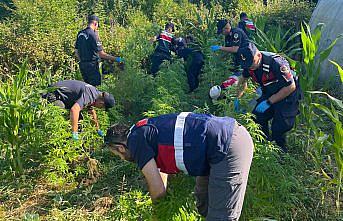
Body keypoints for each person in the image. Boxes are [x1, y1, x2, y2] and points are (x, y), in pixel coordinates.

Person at [104, 112, 254, 220]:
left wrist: (157, 215)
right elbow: (159, 174)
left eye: (118, 155)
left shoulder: (135, 142)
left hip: (227, 146)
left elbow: (156, 189)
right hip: (214, 148)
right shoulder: (141, 130)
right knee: (204, 202)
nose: (122, 158)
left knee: (220, 216)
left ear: (120, 148)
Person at [235, 43, 302, 152]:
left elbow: (290, 86)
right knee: (257, 117)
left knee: (279, 127)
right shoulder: (249, 63)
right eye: (247, 65)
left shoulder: (276, 63)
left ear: (258, 55)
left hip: (287, 94)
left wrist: (269, 102)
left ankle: (280, 153)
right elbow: (243, 80)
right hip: (270, 91)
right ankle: (264, 144)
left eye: (252, 63)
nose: (250, 67)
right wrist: (238, 98)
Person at [42, 80, 115, 140]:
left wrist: (97, 129)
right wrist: (74, 132)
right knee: (61, 114)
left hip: (64, 97)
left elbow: (91, 112)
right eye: (102, 107)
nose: (100, 108)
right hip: (53, 93)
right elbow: (74, 110)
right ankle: (55, 138)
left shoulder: (95, 93)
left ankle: (72, 142)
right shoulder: (90, 95)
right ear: (101, 103)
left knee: (79, 120)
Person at [75, 15, 123, 86]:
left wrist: (82, 62)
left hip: (83, 65)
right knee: (95, 89)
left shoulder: (80, 33)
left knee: (87, 89)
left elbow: (76, 52)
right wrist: (117, 59)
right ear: (95, 23)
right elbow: (101, 54)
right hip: (92, 66)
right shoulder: (93, 35)